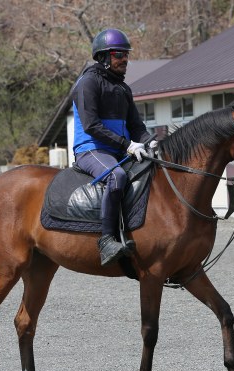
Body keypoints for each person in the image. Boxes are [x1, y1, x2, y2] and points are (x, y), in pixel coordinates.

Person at [71, 28, 151, 266]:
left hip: (118, 150)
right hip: (91, 149)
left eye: (126, 54)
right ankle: (106, 240)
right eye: (119, 54)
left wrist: (151, 142)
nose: (125, 59)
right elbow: (91, 126)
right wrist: (127, 145)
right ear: (104, 57)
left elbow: (136, 126)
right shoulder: (87, 83)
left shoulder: (124, 89)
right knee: (116, 176)